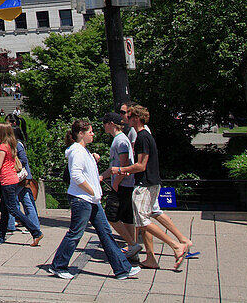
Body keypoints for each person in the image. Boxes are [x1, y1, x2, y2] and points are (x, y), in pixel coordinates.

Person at [49, 120, 139, 280]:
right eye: (90, 131)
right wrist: (91, 190)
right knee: (76, 233)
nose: (93, 134)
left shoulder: (83, 151)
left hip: (91, 200)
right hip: (82, 199)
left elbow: (85, 172)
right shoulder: (77, 151)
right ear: (81, 134)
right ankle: (58, 266)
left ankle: (122, 268)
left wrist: (93, 160)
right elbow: (76, 175)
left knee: (105, 233)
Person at [113, 104, 187, 270]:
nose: (126, 118)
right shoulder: (143, 136)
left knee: (142, 220)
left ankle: (176, 245)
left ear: (137, 119)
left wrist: (120, 170)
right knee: (144, 220)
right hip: (149, 183)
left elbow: (141, 165)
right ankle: (151, 259)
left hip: (145, 184)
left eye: (129, 116)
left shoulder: (142, 137)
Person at [0, 123, 43, 245]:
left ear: (1, 133)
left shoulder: (3, 147)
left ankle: (35, 232)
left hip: (7, 181)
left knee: (12, 209)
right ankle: (0, 236)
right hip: (13, 179)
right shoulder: (11, 145)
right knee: (5, 209)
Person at [99, 112, 140, 257]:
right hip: (125, 184)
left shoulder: (121, 141)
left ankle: (132, 244)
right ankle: (132, 248)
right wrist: (103, 176)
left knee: (111, 215)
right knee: (127, 217)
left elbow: (123, 165)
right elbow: (115, 166)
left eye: (104, 123)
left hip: (122, 185)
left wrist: (115, 183)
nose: (103, 126)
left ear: (111, 124)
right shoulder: (119, 140)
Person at [6, 130, 38, 234]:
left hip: (21, 177)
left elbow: (24, 160)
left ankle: (10, 225)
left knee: (10, 200)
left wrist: (12, 163)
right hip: (24, 177)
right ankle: (34, 225)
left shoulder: (17, 145)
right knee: (26, 201)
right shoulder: (19, 144)